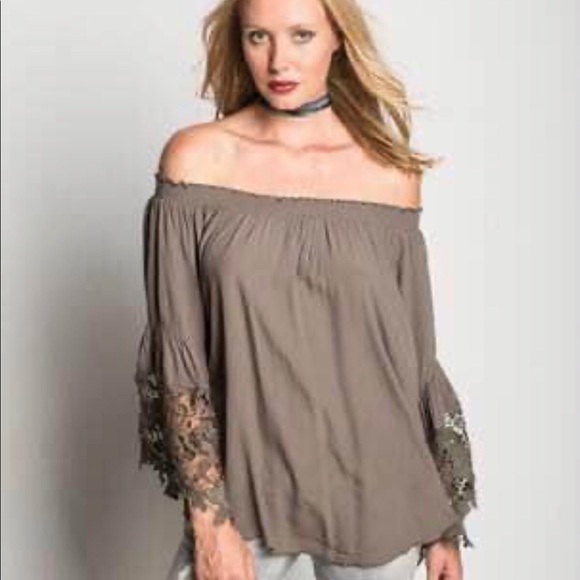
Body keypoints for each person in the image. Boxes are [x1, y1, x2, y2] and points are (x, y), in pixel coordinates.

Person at [133, 0, 478, 579]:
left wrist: (443, 522)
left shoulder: (389, 174)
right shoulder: (197, 159)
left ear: (338, 37)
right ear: (239, 42)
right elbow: (179, 354)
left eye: (300, 35)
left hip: (382, 495)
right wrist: (209, 521)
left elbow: (413, 357)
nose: (278, 61)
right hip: (249, 496)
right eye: (258, 37)